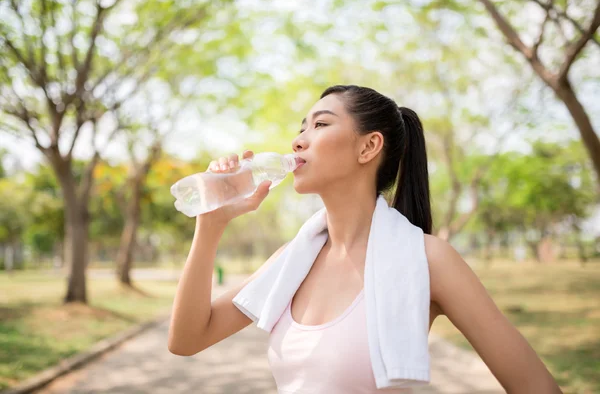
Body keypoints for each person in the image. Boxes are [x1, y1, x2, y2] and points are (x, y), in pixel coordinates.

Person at [168, 85, 562, 393]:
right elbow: (187, 339)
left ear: (369, 146)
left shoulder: (427, 259)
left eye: (320, 125)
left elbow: (535, 386)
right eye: (301, 128)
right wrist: (210, 225)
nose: (298, 141)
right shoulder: (294, 260)